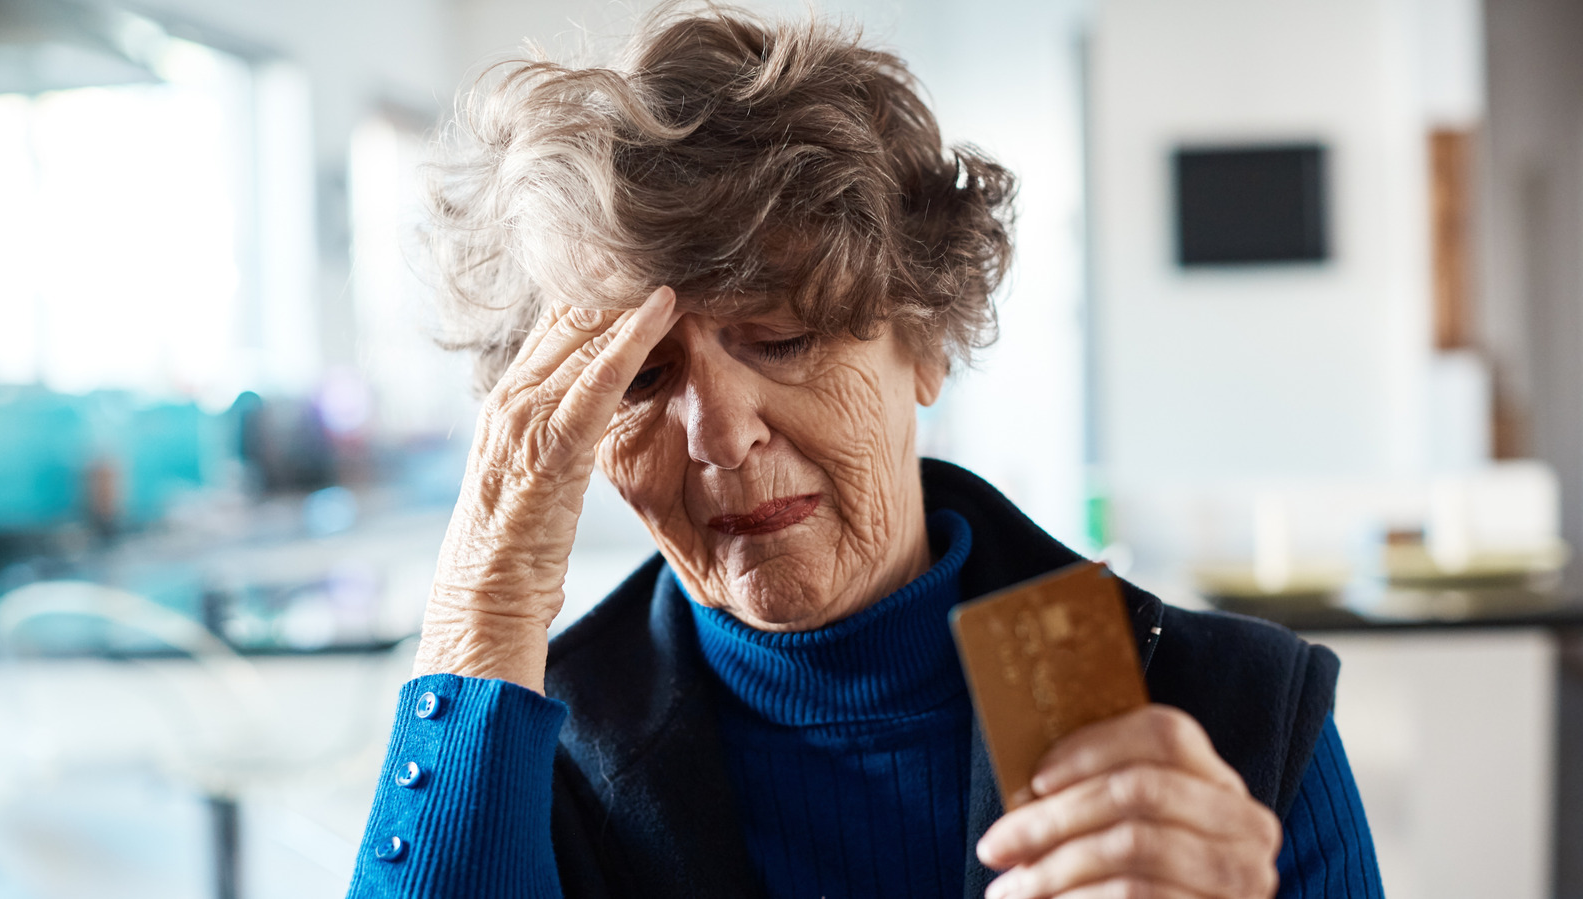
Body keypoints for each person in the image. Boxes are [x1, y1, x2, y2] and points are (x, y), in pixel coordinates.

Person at [348, 7, 1383, 898]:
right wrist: (483, 610)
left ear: (925, 338)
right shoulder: (530, 756)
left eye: (783, 337)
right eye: (641, 378)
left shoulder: (1224, 711)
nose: (719, 432)